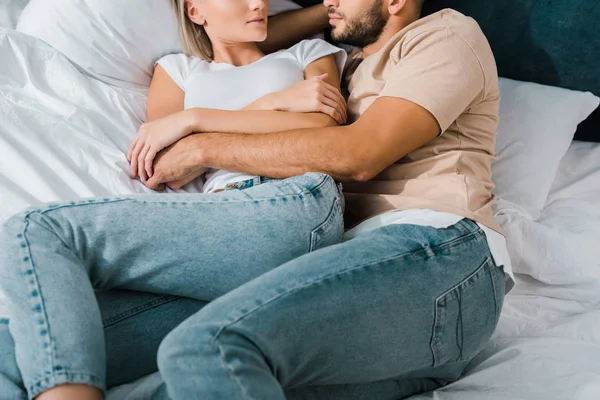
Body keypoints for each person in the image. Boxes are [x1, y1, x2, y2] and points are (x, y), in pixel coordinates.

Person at [0, 0, 516, 399]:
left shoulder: (443, 36)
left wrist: (201, 140)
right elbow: (248, 34)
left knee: (205, 347)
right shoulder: (345, 60)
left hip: (440, 256)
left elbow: (361, 153)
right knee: (18, 352)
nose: (324, 0)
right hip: (360, 301)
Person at [0, 1, 348, 399]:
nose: (259, 3)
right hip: (214, 243)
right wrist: (265, 106)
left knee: (36, 231)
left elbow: (321, 128)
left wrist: (194, 122)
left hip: (293, 204)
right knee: (8, 354)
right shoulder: (178, 68)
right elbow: (161, 159)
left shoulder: (307, 52)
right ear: (196, 10)